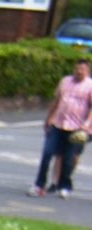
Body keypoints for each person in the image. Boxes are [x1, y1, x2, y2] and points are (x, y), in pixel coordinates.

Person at [32, 58, 92, 199]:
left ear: (87, 71)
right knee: (47, 153)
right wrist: (49, 118)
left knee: (69, 158)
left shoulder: (90, 86)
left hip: (77, 127)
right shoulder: (65, 81)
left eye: (82, 69)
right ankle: (39, 185)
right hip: (59, 124)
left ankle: (64, 186)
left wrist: (86, 124)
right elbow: (57, 100)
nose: (79, 72)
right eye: (77, 69)